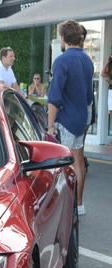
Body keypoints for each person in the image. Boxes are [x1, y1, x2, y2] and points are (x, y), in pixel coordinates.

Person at [47, 19, 94, 216]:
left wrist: (49, 127)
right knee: (79, 163)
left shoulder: (62, 60)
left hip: (65, 119)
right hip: (81, 118)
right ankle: (79, 204)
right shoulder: (87, 60)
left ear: (64, 37)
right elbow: (89, 96)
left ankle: (67, 206)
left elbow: (54, 97)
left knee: (65, 165)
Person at [102, 53, 112, 146]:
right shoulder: (110, 66)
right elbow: (103, 73)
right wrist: (107, 62)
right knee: (111, 112)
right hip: (111, 91)